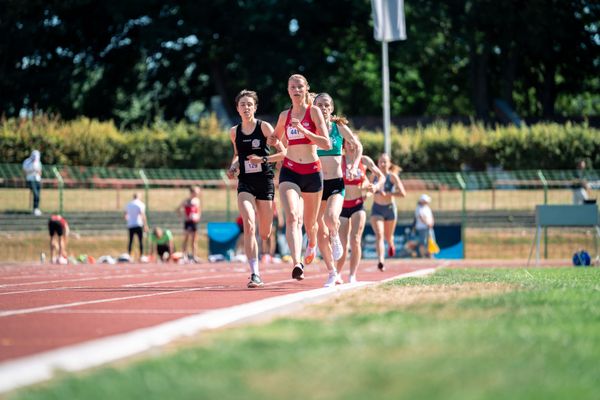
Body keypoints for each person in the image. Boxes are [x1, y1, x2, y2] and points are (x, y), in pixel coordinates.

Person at [272, 74, 335, 286]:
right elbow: (275, 139)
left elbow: (326, 143)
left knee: (310, 224)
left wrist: (303, 130)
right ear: (288, 90)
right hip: (290, 170)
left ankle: (312, 242)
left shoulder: (314, 111)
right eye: (292, 86)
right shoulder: (284, 115)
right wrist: (276, 144)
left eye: (300, 86)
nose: (296, 89)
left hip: (312, 171)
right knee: (291, 216)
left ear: (306, 88)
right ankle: (297, 263)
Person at [227, 89, 285, 288]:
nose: (246, 108)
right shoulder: (234, 132)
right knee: (249, 225)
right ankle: (255, 273)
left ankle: (262, 250)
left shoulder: (265, 128)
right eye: (242, 105)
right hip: (245, 183)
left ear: (255, 107)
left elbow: (283, 153)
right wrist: (233, 166)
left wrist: (263, 159)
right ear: (237, 108)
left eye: (249, 104)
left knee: (265, 232)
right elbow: (237, 154)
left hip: (265, 182)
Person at [313, 93, 363, 283]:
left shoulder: (338, 128)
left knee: (331, 218)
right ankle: (332, 271)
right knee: (319, 231)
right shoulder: (312, 128)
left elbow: (357, 145)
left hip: (335, 182)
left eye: (327, 105)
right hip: (316, 184)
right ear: (315, 107)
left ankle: (335, 235)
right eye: (319, 105)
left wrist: (353, 165)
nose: (324, 108)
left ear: (332, 108)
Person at [336, 150, 385, 283]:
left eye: (354, 143)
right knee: (343, 243)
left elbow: (381, 177)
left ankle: (352, 274)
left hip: (358, 205)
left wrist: (375, 186)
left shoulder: (364, 160)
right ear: (345, 144)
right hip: (342, 205)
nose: (351, 146)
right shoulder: (340, 159)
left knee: (356, 239)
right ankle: (338, 273)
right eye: (348, 142)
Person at [370, 153, 407, 271]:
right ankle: (381, 261)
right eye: (380, 162)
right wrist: (367, 193)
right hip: (377, 209)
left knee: (388, 236)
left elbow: (403, 193)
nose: (382, 164)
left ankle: (391, 244)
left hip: (390, 209)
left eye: (385, 162)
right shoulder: (373, 176)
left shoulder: (392, 177)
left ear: (389, 164)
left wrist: (389, 194)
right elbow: (368, 188)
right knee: (379, 235)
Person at [177, 186, 202, 262]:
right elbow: (178, 209)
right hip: (187, 222)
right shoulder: (186, 201)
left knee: (194, 240)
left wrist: (198, 216)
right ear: (192, 192)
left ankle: (194, 256)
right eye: (196, 192)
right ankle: (184, 255)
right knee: (186, 239)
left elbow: (199, 210)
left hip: (194, 222)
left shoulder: (197, 201)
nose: (197, 194)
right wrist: (183, 217)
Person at [124, 192, 147, 260]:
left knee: (130, 241)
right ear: (138, 196)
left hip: (130, 225)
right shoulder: (140, 204)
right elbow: (142, 215)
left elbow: (125, 215)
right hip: (138, 224)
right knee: (140, 241)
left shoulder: (128, 204)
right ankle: (141, 256)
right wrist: (145, 225)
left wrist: (129, 220)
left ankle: (129, 255)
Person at [22, 149, 43, 216]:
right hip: (30, 179)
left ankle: (36, 208)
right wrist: (31, 171)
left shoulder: (38, 162)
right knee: (36, 194)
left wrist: (38, 174)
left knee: (38, 195)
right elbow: (24, 171)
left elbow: (40, 171)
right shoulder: (27, 161)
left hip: (37, 179)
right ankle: (35, 208)